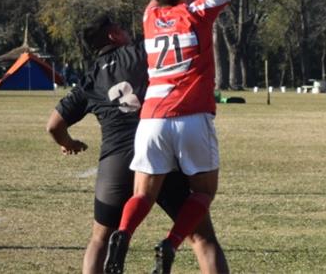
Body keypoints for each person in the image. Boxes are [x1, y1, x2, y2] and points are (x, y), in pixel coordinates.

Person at [104, 0, 245, 274]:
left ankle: (122, 234)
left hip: (151, 120)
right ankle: (170, 243)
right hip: (191, 118)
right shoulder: (195, 12)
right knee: (203, 193)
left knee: (141, 195)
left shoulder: (150, 17)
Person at [48, 15, 228, 274]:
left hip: (116, 160)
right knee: (202, 238)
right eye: (120, 27)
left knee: (100, 240)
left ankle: (121, 239)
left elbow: (53, 125)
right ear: (112, 35)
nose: (126, 31)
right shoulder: (143, 52)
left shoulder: (91, 78)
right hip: (159, 149)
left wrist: (69, 143)